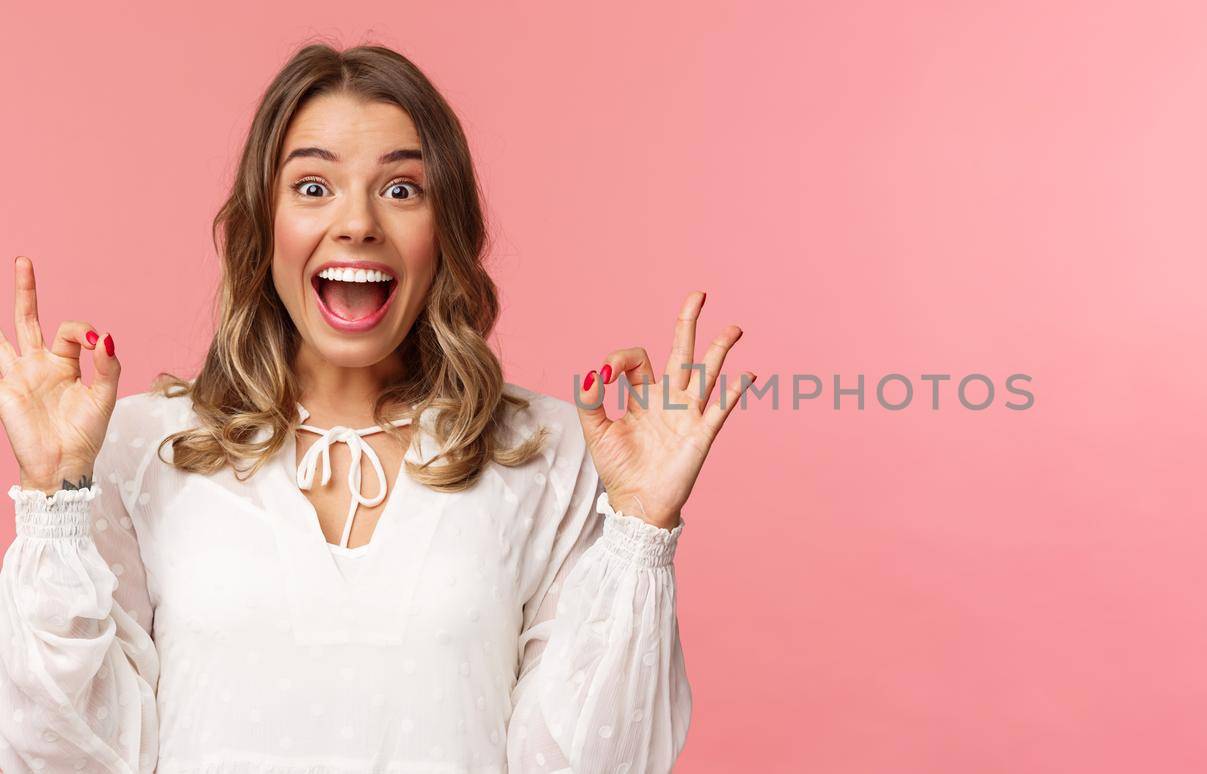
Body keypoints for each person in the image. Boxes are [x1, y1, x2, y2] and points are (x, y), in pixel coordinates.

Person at [0, 43, 752, 773]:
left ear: (443, 231)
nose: (358, 222)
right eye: (314, 187)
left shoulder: (550, 451)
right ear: (264, 229)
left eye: (401, 189)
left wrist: (640, 530)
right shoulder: (141, 446)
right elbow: (71, 757)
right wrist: (52, 495)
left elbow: (583, 765)